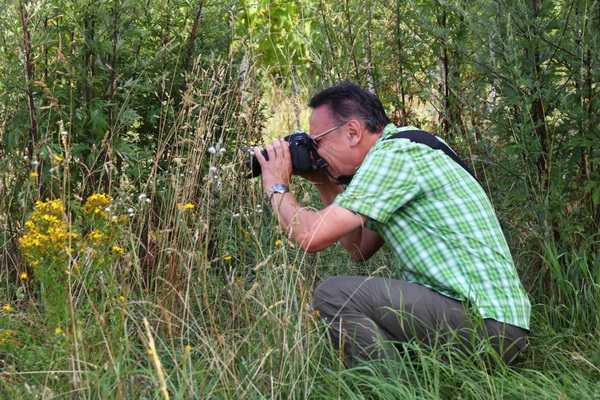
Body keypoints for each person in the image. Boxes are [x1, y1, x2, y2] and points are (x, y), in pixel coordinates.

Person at [253, 81, 531, 368]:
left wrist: (276, 184)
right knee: (348, 300)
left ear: (352, 132)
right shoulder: (409, 146)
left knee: (333, 294)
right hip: (492, 324)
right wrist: (326, 181)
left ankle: (387, 389)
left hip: (484, 324)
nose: (316, 152)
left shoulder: (395, 155)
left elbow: (310, 237)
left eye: (318, 142)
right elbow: (358, 249)